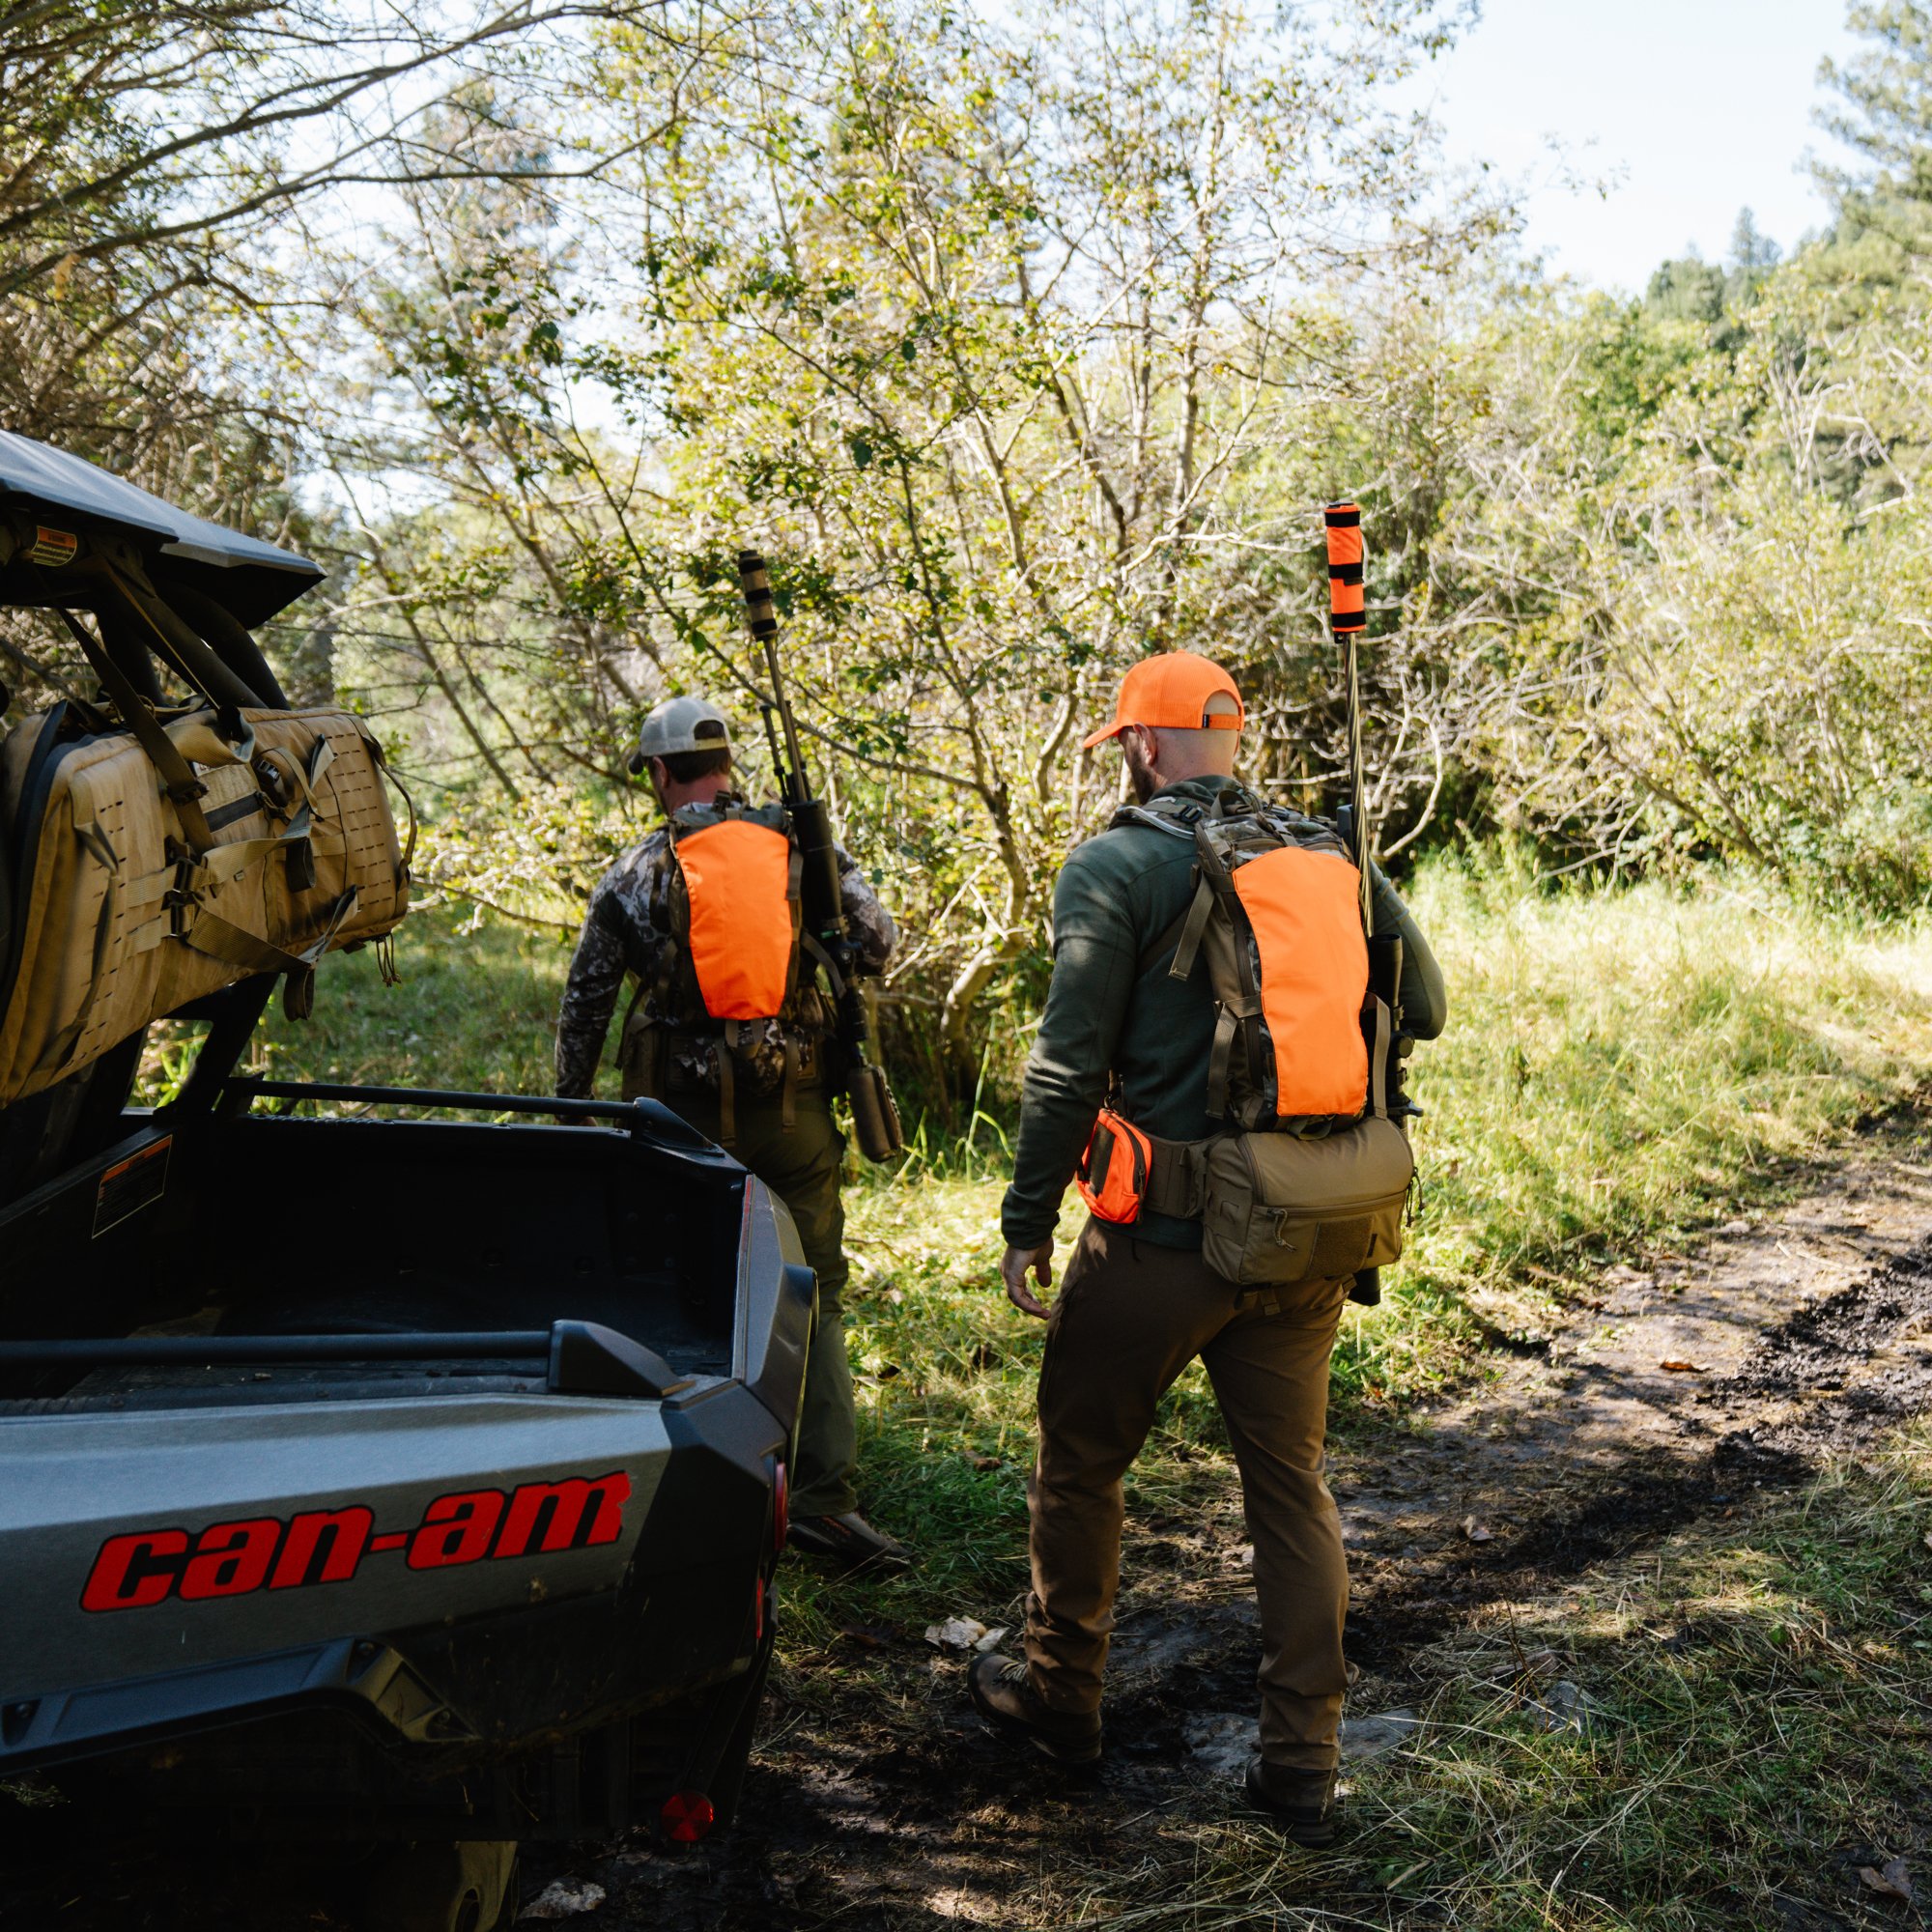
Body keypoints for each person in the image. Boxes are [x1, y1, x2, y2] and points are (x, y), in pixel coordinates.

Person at [969, 652, 1447, 1844]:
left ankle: (1058, 1700)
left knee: (1079, 1460)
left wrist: (1029, 1216)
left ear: (1139, 745)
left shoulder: (1117, 861)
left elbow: (1065, 1067)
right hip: (1304, 1228)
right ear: (1227, 738)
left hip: (1164, 1242)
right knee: (1289, 1488)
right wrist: (1359, 893)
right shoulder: (1325, 856)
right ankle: (1301, 1763)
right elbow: (1424, 1006)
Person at [555, 694, 908, 1572]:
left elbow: (587, 997)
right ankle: (824, 1504)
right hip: (795, 1117)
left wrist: (571, 1104)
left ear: (664, 773)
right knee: (813, 1290)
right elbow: (876, 942)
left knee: (684, 1293)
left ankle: (690, 1490)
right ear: (726, 765)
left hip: (680, 1127)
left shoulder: (640, 867)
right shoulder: (800, 851)